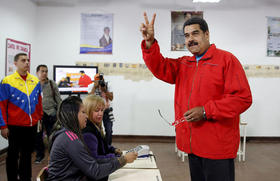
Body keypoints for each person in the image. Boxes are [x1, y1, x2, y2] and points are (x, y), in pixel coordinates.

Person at [140, 13, 252, 181]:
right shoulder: (185, 64)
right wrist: (149, 43)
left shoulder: (226, 60)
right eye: (186, 35)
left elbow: (242, 98)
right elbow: (160, 66)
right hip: (192, 146)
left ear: (207, 34)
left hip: (217, 148)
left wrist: (206, 111)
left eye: (195, 33)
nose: (190, 39)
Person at [47, 96, 137, 181]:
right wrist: (122, 160)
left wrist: (118, 159)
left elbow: (92, 161)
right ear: (73, 115)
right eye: (83, 112)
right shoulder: (70, 139)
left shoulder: (68, 134)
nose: (86, 116)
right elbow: (95, 171)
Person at [0, 53, 43, 181]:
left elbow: (39, 103)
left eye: (28, 60)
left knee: (27, 155)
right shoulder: (7, 81)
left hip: (31, 125)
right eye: (23, 60)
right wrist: (3, 126)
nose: (27, 63)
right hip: (14, 126)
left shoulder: (35, 81)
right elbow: (1, 106)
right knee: (12, 155)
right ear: (15, 63)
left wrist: (39, 120)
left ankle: (25, 177)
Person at [82, 94, 123, 181]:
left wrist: (113, 150)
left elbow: (102, 145)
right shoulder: (88, 133)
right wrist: (116, 158)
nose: (100, 113)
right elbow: (94, 159)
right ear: (88, 111)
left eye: (102, 110)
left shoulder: (96, 126)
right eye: (97, 111)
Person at [34, 64, 62, 163]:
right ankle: (40, 155)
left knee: (52, 136)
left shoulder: (52, 84)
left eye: (46, 71)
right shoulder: (33, 84)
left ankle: (53, 156)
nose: (44, 73)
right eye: (42, 71)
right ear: (37, 72)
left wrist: (60, 114)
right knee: (38, 137)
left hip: (51, 114)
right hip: (38, 115)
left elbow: (58, 99)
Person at [89, 73, 114, 145]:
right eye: (98, 81)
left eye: (101, 80)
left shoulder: (107, 85)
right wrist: (94, 87)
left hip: (107, 110)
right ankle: (98, 146)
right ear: (94, 81)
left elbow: (111, 98)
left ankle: (108, 147)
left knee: (109, 131)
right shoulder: (91, 86)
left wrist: (105, 90)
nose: (100, 82)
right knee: (96, 130)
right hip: (95, 111)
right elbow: (89, 98)